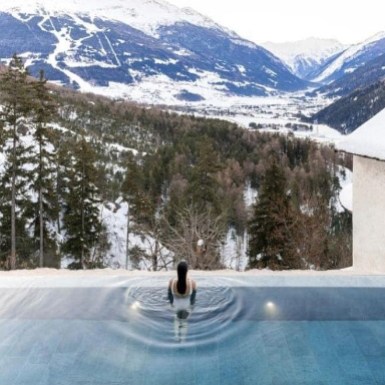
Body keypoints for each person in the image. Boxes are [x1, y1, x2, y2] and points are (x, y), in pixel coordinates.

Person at [168, 261, 197, 341]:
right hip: (186, 307)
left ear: (177, 271)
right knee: (184, 323)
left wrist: (171, 305)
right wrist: (192, 307)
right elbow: (193, 299)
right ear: (187, 271)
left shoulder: (172, 282)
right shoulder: (192, 283)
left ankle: (176, 337)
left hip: (175, 306)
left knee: (176, 321)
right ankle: (183, 341)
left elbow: (169, 296)